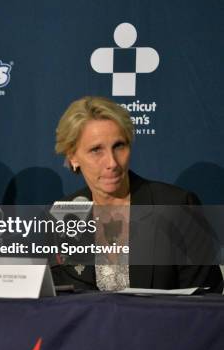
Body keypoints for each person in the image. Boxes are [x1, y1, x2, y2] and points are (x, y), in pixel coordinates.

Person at [53, 96, 222, 290]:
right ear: (73, 156)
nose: (112, 163)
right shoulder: (64, 215)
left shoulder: (177, 206)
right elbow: (60, 301)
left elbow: (205, 300)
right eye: (96, 150)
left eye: (119, 146)